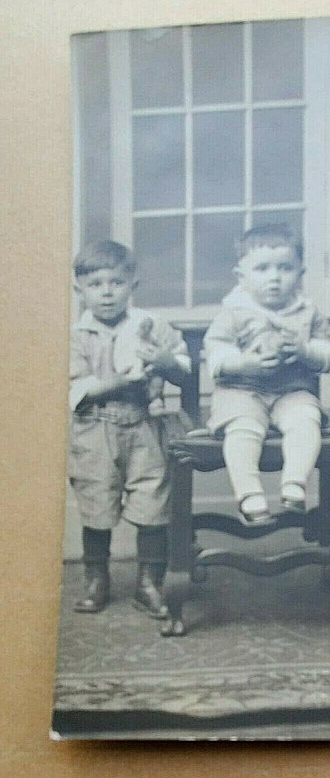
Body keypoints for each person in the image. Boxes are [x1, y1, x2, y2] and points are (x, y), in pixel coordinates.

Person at [69, 240, 191, 617]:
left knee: (153, 502)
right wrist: (124, 382)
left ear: (132, 283)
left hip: (144, 426)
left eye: (116, 282)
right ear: (80, 289)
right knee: (97, 501)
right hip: (95, 430)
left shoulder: (151, 326)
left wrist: (166, 361)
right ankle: (97, 579)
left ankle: (148, 583)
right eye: (95, 284)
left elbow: (183, 370)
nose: (106, 292)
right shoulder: (76, 335)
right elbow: (77, 390)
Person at [204, 223, 330, 526]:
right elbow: (216, 353)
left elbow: (327, 353)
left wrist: (304, 351)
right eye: (262, 269)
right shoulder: (234, 310)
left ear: (300, 274)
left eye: (285, 268)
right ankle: (249, 494)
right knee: (243, 429)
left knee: (306, 420)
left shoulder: (307, 311)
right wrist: (243, 363)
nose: (274, 278)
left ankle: (294, 484)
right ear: (242, 276)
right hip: (242, 391)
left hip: (291, 390)